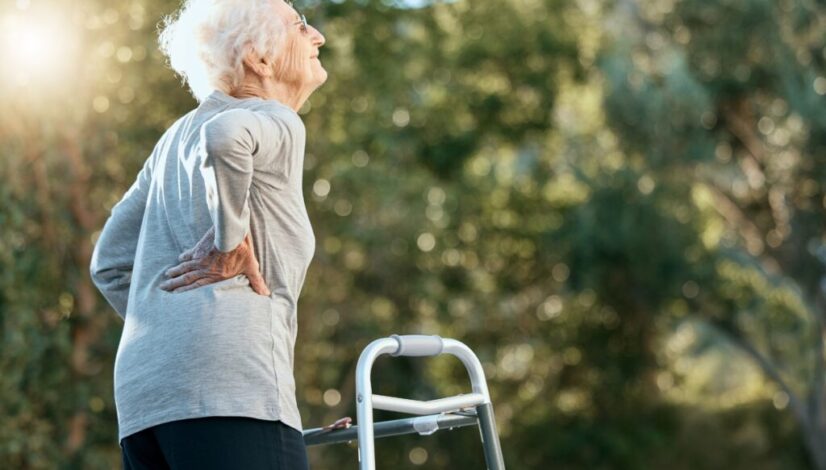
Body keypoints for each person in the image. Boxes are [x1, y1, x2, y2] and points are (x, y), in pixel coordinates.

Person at [89, 1, 349, 468]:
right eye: (300, 26)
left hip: (145, 402)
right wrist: (232, 243)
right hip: (229, 393)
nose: (318, 37)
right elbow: (227, 136)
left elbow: (107, 264)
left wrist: (174, 324)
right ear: (259, 59)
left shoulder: (172, 139)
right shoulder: (275, 118)